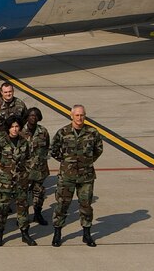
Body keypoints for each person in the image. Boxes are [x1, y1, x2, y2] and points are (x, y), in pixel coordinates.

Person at [51, 104, 103, 247]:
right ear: (71, 116)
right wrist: (66, 162)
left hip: (86, 176)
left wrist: (87, 161)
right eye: (77, 115)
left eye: (82, 115)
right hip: (67, 176)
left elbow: (98, 149)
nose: (79, 118)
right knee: (62, 204)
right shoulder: (63, 132)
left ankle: (87, 234)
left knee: (86, 205)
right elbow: (53, 150)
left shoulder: (92, 132)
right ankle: (57, 233)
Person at [0, 116, 36, 247]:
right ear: (8, 128)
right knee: (1, 209)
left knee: (23, 208)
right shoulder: (1, 141)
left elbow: (29, 159)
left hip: (20, 181)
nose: (15, 129)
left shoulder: (24, 142)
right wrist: (3, 172)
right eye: (12, 127)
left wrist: (25, 174)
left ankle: (25, 233)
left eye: (17, 127)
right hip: (4, 182)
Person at [22, 107, 50, 225]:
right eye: (31, 115)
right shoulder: (21, 132)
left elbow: (47, 147)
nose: (33, 118)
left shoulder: (43, 132)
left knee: (39, 193)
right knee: (23, 195)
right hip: (25, 170)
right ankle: (23, 217)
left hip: (39, 169)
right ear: (27, 117)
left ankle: (37, 214)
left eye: (36, 115)